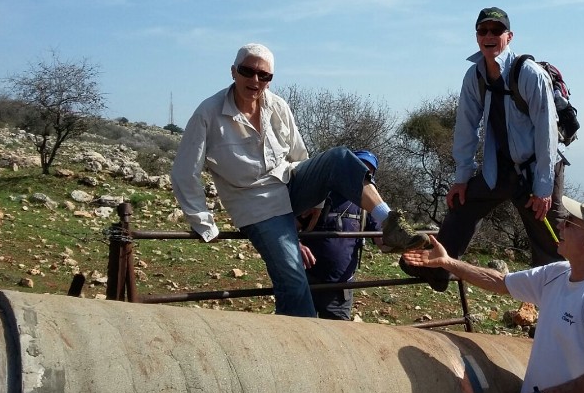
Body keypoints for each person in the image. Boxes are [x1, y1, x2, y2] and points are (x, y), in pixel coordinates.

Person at [171, 43, 429, 317]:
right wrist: (204, 223)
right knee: (293, 281)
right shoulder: (208, 114)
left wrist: (314, 205)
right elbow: (185, 172)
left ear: (270, 79)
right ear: (233, 72)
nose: (255, 80)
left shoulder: (278, 106)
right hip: (256, 206)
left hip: (289, 187)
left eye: (264, 75)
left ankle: (389, 221)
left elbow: (300, 156)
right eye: (248, 71)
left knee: (339, 158)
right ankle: (304, 348)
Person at [403, 197, 584, 393]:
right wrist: (448, 262)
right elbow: (500, 281)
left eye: (569, 223)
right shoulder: (557, 274)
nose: (560, 226)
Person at [401, 7, 566, 292]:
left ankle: (564, 301)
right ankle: (439, 271)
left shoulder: (529, 74)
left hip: (537, 167)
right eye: (483, 30)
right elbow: (466, 128)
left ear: (509, 36)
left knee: (550, 239)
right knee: (462, 205)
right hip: (501, 167)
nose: (489, 36)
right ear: (477, 36)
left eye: (496, 31)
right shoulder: (475, 75)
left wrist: (543, 188)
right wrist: (461, 179)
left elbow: (546, 133)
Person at [300, 149, 380, 320]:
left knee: (337, 341)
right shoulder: (318, 195)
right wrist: (296, 244)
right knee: (302, 337)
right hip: (307, 282)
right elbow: (292, 223)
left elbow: (381, 238)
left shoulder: (367, 209)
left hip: (340, 290)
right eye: (358, 169)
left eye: (368, 173)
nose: (362, 179)